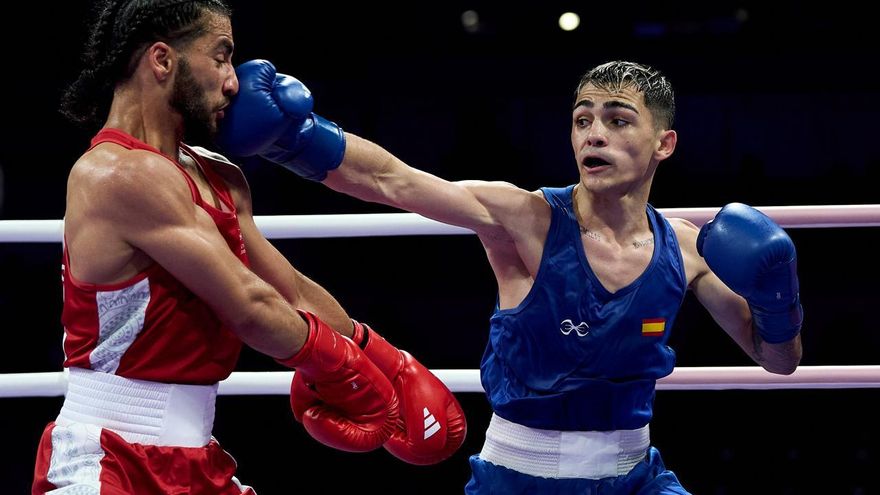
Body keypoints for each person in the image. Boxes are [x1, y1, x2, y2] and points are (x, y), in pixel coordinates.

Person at [217, 59, 804, 494]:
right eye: (582, 120)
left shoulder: (686, 247)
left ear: (663, 144)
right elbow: (394, 181)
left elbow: (778, 360)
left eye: (618, 121)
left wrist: (779, 299)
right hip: (518, 479)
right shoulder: (525, 219)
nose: (593, 134)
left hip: (636, 479)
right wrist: (295, 139)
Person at [33, 2, 464, 493]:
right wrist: (341, 367)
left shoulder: (217, 175)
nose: (234, 81)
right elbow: (252, 307)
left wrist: (384, 360)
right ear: (161, 60)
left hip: (197, 457)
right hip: (108, 457)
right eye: (221, 57)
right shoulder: (116, 173)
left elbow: (290, 292)